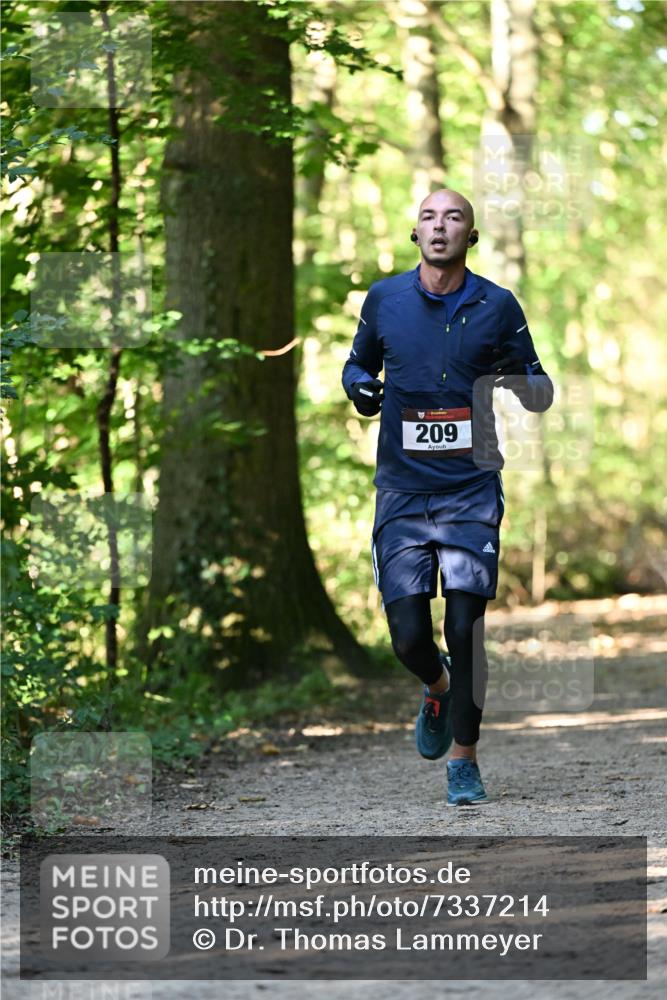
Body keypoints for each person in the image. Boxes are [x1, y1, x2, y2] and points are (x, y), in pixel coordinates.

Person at [342, 188, 553, 806]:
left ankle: (465, 760)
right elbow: (356, 365)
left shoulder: (497, 304)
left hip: (470, 490)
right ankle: (436, 687)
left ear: (470, 234)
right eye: (429, 217)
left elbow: (534, 377)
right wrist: (361, 387)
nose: (440, 226)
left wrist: (528, 386)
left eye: (453, 217)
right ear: (416, 233)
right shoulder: (384, 300)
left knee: (465, 628)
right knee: (408, 637)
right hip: (404, 492)